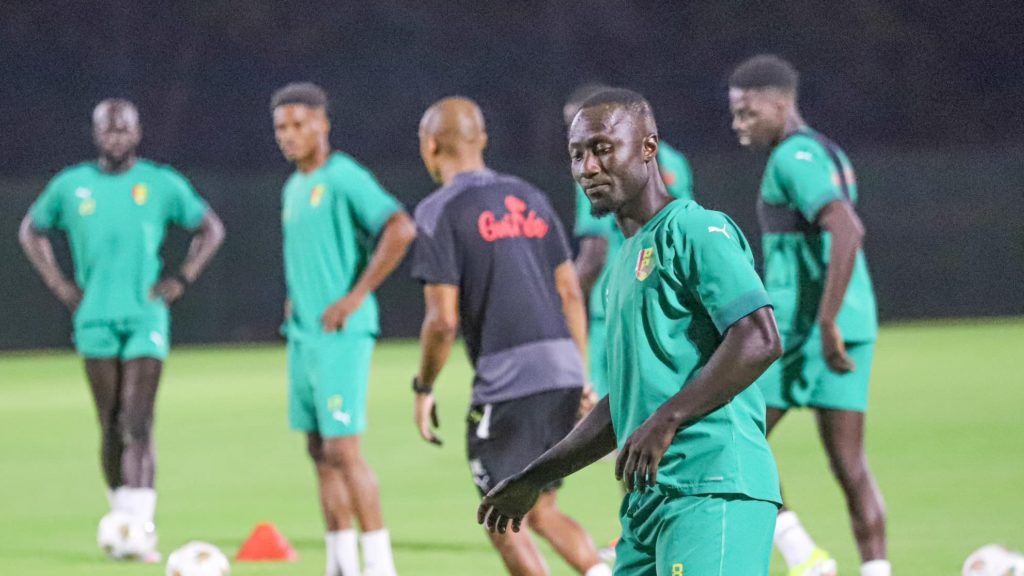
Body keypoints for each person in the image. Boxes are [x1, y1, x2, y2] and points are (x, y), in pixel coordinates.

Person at [478, 89, 784, 575]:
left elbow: (759, 337)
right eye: (577, 155)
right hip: (648, 501)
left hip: (711, 485)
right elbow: (623, 405)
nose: (588, 168)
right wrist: (534, 477)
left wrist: (666, 419)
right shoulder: (622, 266)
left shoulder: (695, 230)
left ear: (648, 147)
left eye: (602, 149)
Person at [19, 98, 226, 562]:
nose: (116, 137)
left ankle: (141, 530)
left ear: (137, 133)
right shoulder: (71, 186)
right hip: (94, 317)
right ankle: (122, 523)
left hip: (145, 315)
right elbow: (30, 230)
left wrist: (183, 278)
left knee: (137, 420)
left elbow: (210, 229)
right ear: (95, 134)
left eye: (124, 128)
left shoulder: (160, 182)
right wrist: (58, 283)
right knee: (110, 424)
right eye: (108, 129)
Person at [410, 96, 609, 576]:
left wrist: (424, 386)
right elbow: (570, 293)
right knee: (542, 510)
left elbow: (442, 321)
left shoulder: (437, 211)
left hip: (508, 384)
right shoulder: (530, 197)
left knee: (501, 516)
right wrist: (579, 374)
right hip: (562, 372)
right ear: (481, 139)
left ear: (430, 145)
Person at [728, 54, 888, 576]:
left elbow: (847, 227)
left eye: (748, 112)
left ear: (780, 103)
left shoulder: (791, 158)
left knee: (729, 434)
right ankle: (876, 569)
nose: (739, 124)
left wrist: (824, 321)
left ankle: (803, 555)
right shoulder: (826, 150)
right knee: (850, 466)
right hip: (848, 326)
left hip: (800, 333)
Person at [271, 82, 416, 576]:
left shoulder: (344, 176)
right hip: (303, 334)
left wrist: (355, 297)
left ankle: (379, 564)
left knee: (342, 449)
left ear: (322, 124)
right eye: (281, 127)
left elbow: (401, 228)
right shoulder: (293, 187)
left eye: (298, 124)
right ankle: (340, 564)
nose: (288, 135)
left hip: (341, 335)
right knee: (318, 450)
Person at [564, 84, 694, 398]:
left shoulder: (600, 175)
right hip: (669, 302)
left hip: (616, 304)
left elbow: (594, 255)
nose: (588, 164)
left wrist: (564, 303)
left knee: (613, 402)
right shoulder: (675, 162)